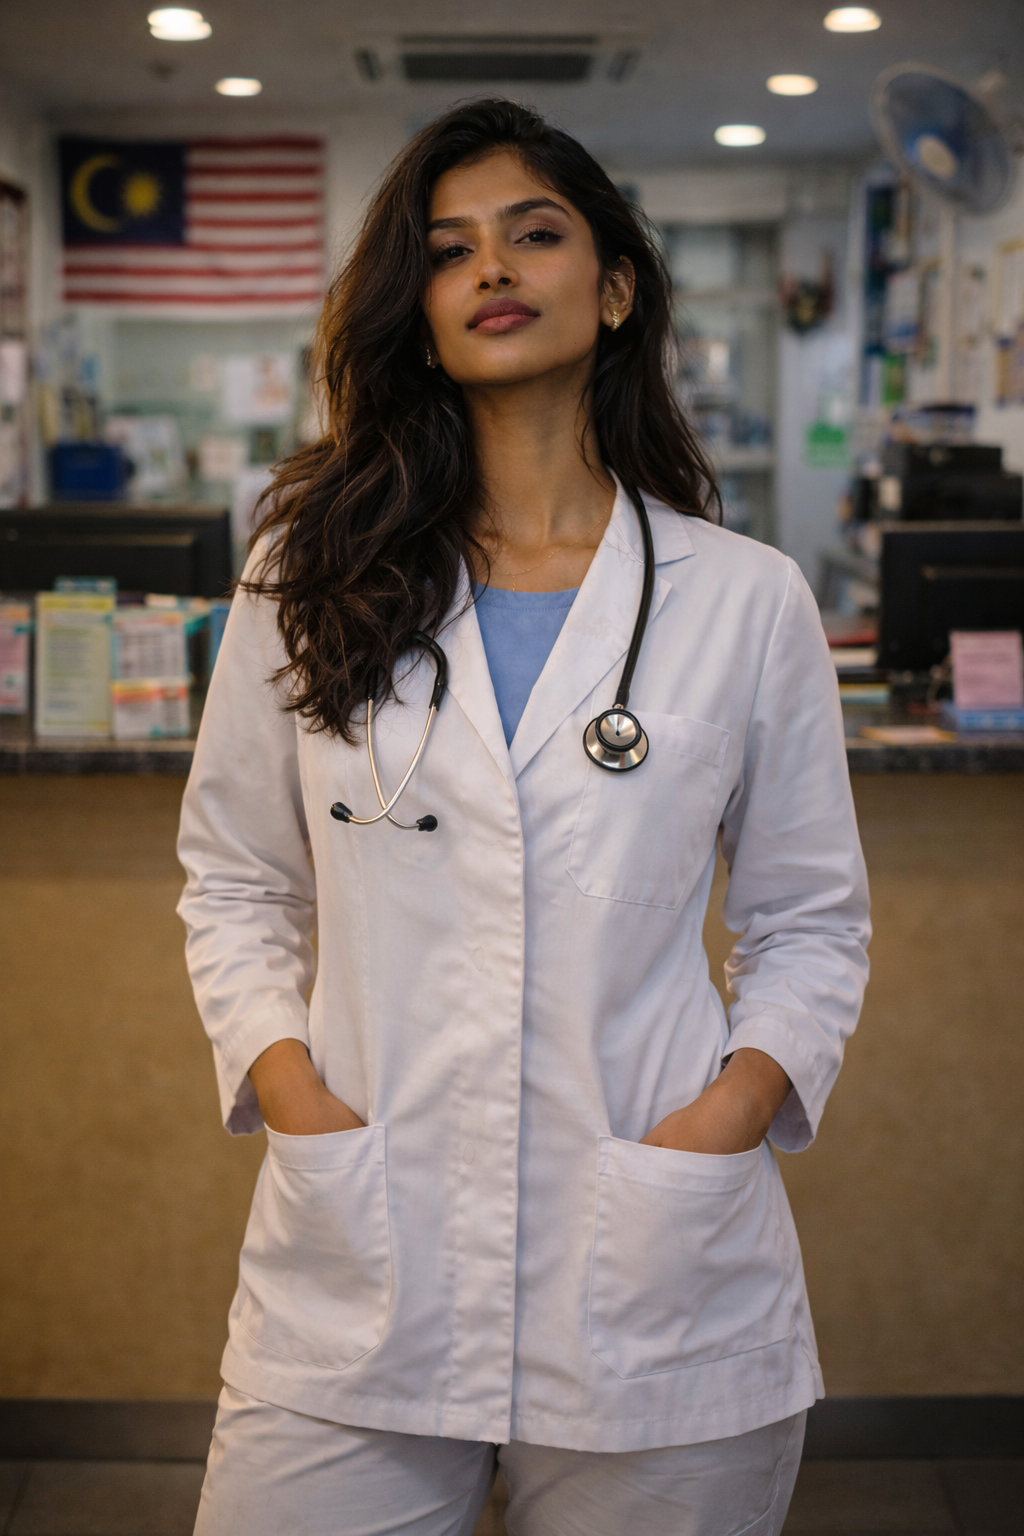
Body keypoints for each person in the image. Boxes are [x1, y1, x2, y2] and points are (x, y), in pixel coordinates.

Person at [178, 99, 870, 1536]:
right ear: (416, 312)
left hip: (652, 1270)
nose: (492, 267)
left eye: (534, 233)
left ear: (614, 287)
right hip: (364, 1258)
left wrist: (730, 1114)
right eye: (448, 250)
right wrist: (294, 1087)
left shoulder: (743, 599)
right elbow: (235, 879)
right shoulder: (306, 573)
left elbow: (810, 921)